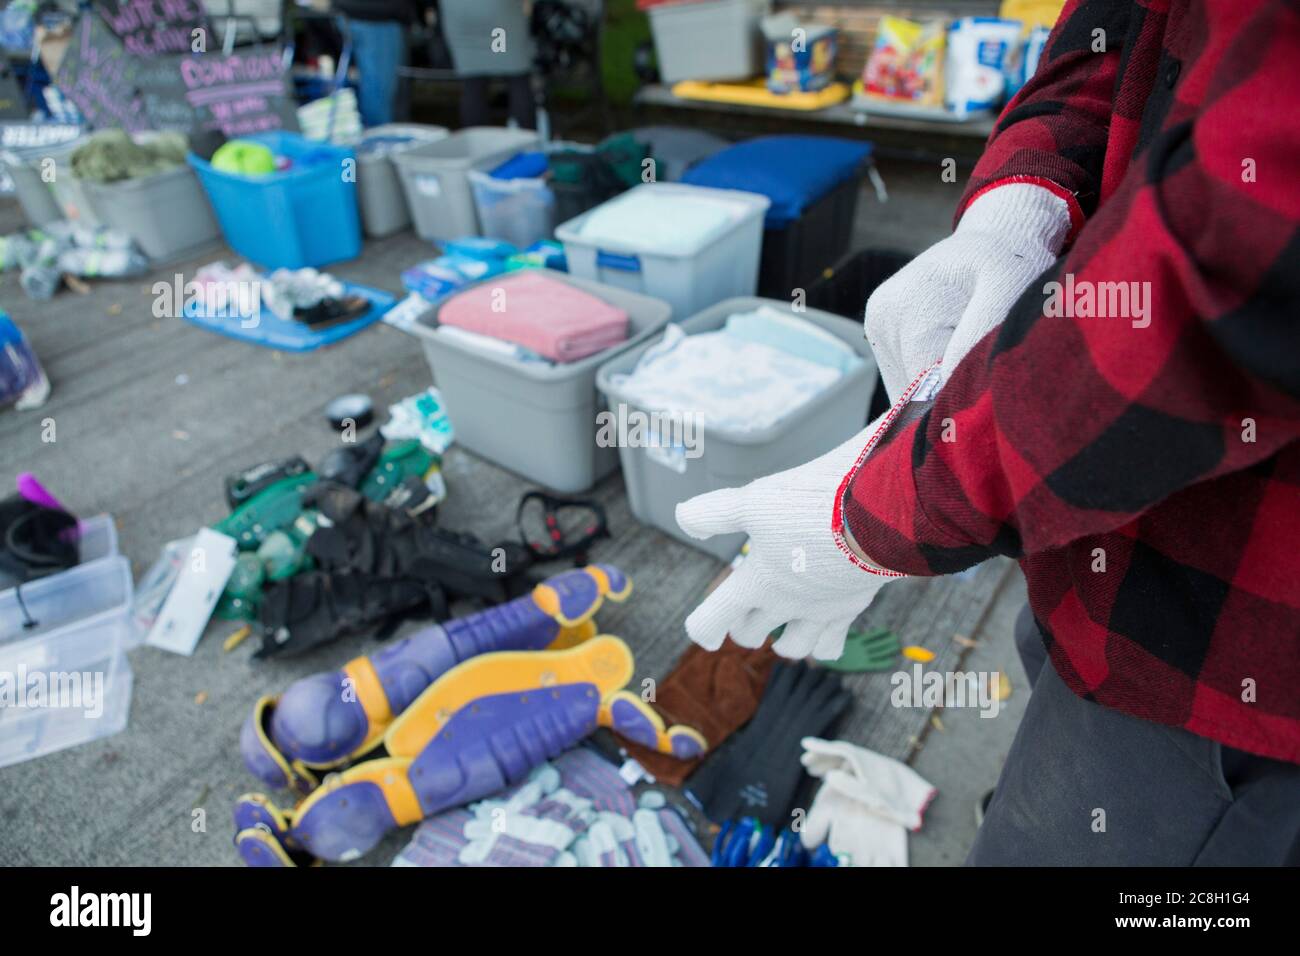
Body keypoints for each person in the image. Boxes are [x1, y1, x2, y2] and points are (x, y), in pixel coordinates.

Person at [675, 0, 1300, 865]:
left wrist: (875, 518)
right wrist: (1020, 204)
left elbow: (1228, 268)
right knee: (1049, 670)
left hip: (1232, 639)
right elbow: (1126, 28)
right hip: (1105, 545)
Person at [439, 0, 536, 129]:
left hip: (457, 10)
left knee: (472, 81)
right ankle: (526, 138)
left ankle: (476, 143)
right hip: (499, 14)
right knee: (517, 76)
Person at [332, 0, 416, 127]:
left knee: (379, 95)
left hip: (366, 16)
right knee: (379, 101)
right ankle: (381, 141)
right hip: (376, 18)